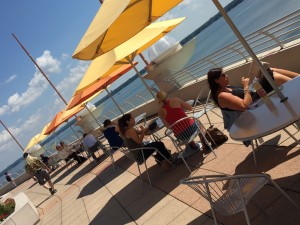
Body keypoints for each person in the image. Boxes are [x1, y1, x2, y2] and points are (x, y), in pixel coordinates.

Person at [207, 67, 300, 132]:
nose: (226, 75)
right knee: (272, 76)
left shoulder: (226, 87)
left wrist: (251, 85)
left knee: (268, 70)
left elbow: (245, 95)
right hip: (256, 108)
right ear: (216, 80)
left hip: (256, 98)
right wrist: (246, 86)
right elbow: (244, 106)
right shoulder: (222, 96)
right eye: (223, 75)